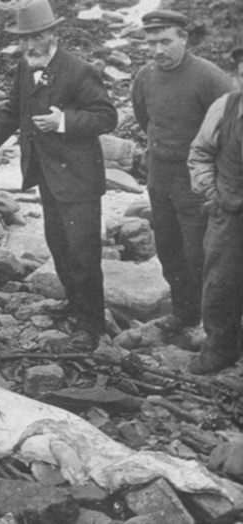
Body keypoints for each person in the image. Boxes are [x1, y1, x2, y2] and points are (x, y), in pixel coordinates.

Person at [0, 0, 117, 350]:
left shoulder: (78, 70)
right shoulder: (24, 66)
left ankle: (91, 326)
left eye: (36, 37)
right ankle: (74, 303)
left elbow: (107, 116)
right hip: (46, 176)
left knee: (83, 254)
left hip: (78, 180)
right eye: (24, 39)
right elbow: (11, 112)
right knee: (59, 246)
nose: (29, 45)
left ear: (52, 33)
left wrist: (63, 122)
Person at [131, 10, 233, 334]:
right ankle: (183, 313)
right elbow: (145, 118)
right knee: (169, 251)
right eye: (151, 43)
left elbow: (230, 132)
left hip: (197, 182)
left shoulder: (210, 77)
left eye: (165, 41)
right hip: (159, 178)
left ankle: (217, 330)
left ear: (183, 38)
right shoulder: (145, 76)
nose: (157, 50)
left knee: (202, 255)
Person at [186, 42, 243, 375]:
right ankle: (221, 348)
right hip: (229, 212)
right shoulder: (225, 108)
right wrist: (213, 191)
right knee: (220, 282)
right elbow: (200, 154)